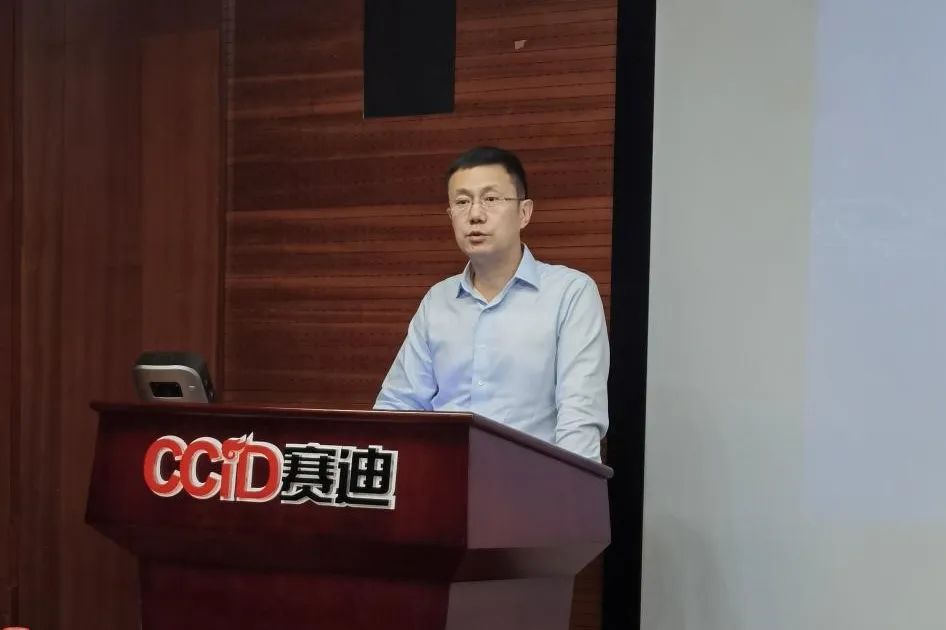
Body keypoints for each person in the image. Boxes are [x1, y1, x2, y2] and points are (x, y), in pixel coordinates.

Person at [374, 146, 609, 461]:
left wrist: (566, 488)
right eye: (462, 202)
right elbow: (398, 407)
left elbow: (579, 418)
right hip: (443, 478)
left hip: (530, 480)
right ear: (450, 216)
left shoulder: (570, 293)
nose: (475, 214)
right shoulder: (437, 300)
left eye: (491, 199)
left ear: (524, 213)